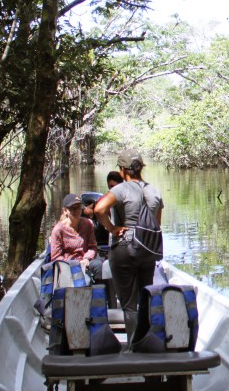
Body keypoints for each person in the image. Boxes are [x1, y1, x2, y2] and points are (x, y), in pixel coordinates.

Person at [94, 148, 164, 346]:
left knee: (129, 304)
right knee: (145, 298)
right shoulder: (154, 191)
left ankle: (133, 346)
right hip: (148, 249)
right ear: (141, 168)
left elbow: (99, 209)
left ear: (123, 170)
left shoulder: (121, 189)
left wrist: (112, 228)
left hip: (125, 247)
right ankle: (148, 342)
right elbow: (157, 225)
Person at [49, 193, 104, 282]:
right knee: (85, 280)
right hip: (67, 266)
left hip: (85, 262)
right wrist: (74, 264)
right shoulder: (58, 230)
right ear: (65, 210)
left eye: (78, 207)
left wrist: (86, 258)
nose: (77, 211)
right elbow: (56, 257)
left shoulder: (88, 224)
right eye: (73, 209)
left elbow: (92, 247)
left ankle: (101, 293)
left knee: (99, 265)